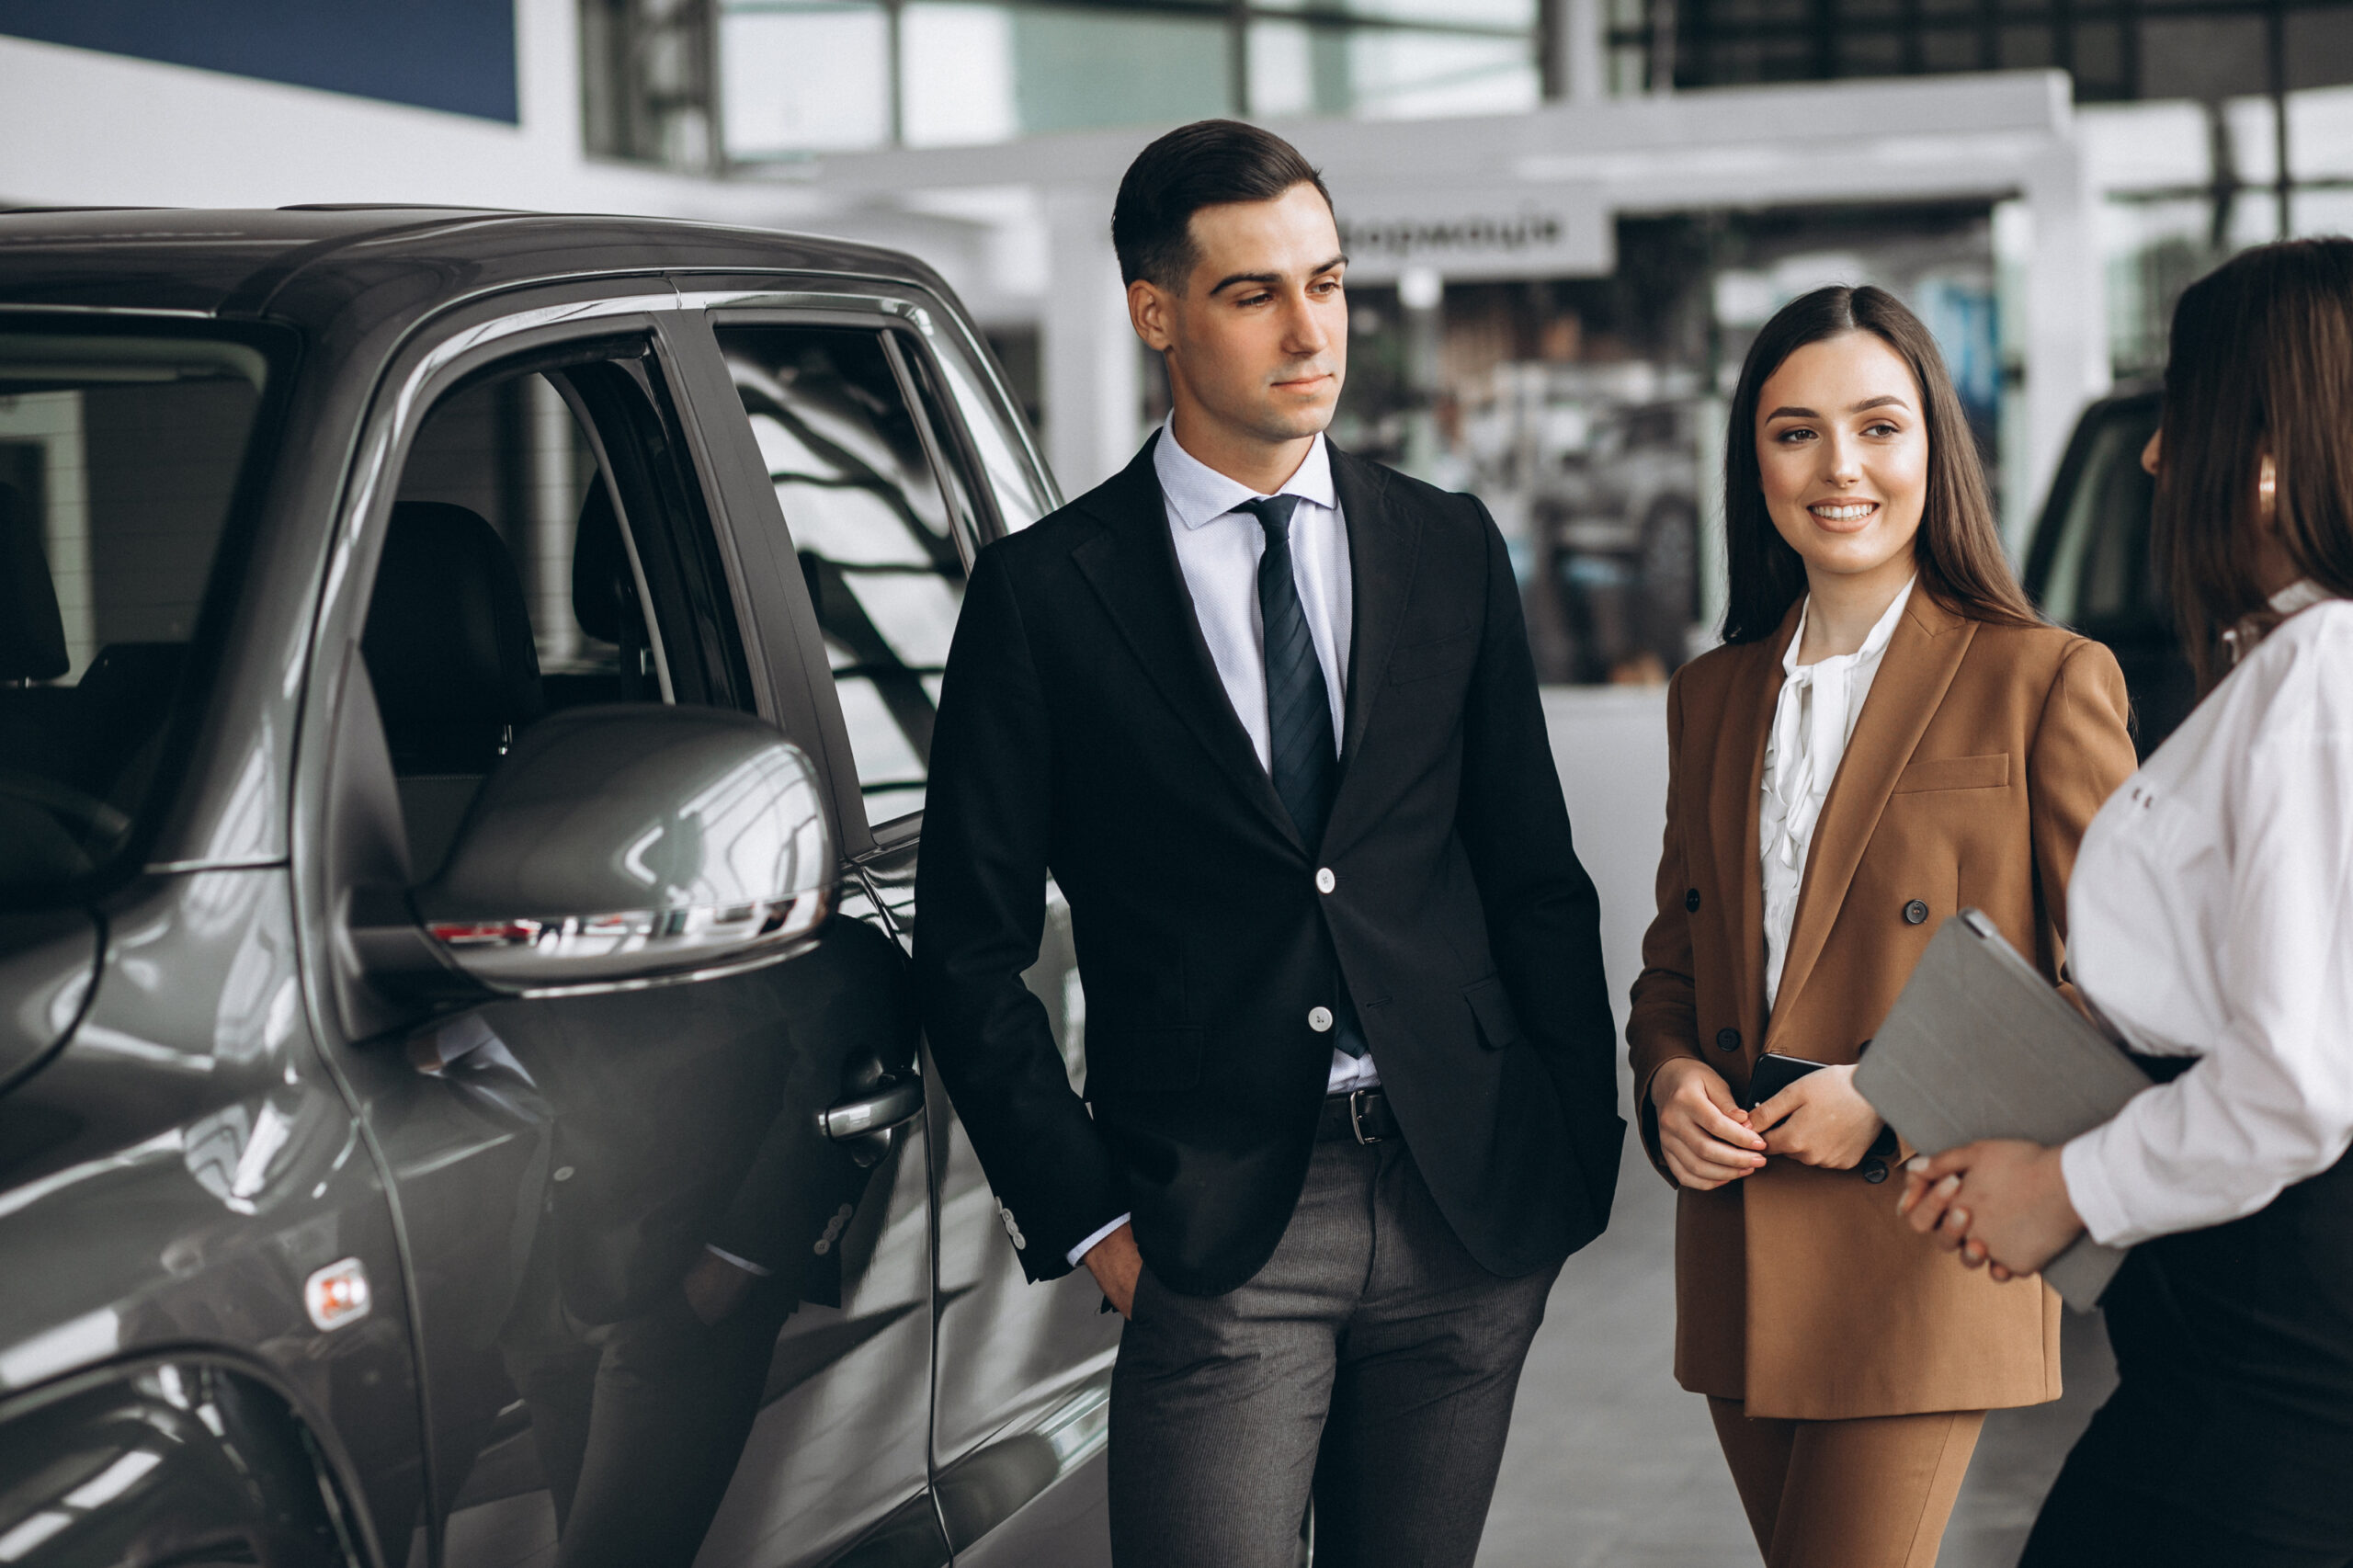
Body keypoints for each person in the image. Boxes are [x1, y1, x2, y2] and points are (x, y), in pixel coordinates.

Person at [912, 119, 1625, 1568]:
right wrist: (1092, 1220)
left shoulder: (1447, 546)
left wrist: (1569, 1149)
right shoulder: (1046, 596)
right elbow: (968, 950)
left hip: (1462, 1204)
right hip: (1220, 1225)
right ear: (1156, 313)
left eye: (1329, 282)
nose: (1312, 331)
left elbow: (1532, 876)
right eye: (1256, 293)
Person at [1626, 285, 2137, 1567]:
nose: (1839, 467)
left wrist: (1891, 1094)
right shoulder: (1711, 695)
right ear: (1753, 463)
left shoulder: (2042, 677)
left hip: (1921, 1235)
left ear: (1935, 448)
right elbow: (1675, 959)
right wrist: (1670, 1078)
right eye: (1795, 432)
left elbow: (2127, 986)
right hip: (1744, 1243)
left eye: (1878, 426)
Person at [1903, 237, 2353, 1567]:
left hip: (2274, 1354)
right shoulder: (2300, 661)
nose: (2158, 457)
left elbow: (2299, 1079)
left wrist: (2066, 1186)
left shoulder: (2322, 672)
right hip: (2240, 1336)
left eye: (2181, 414)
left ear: (2265, 456)